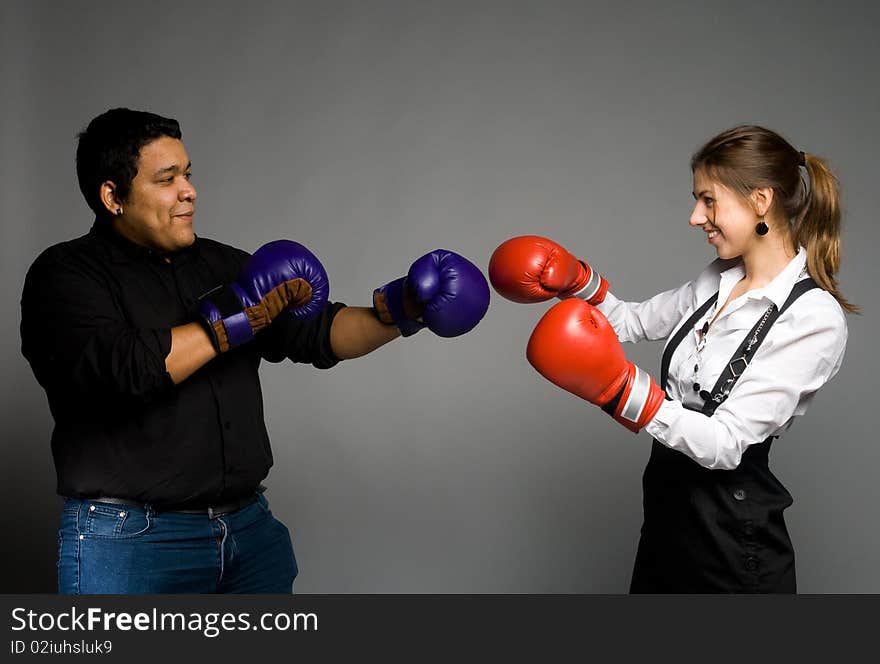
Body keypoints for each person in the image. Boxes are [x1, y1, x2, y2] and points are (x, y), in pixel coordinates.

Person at [19, 108, 490, 594]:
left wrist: (404, 307)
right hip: (132, 541)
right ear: (112, 196)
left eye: (187, 173)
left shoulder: (225, 265)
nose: (189, 191)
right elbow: (125, 369)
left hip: (248, 534)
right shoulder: (65, 276)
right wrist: (237, 316)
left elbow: (318, 333)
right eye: (167, 179)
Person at [488, 125, 854, 593]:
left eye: (708, 200)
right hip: (666, 523)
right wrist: (575, 280)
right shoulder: (718, 279)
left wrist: (621, 390)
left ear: (760, 201)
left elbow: (726, 444)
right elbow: (629, 322)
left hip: (735, 544)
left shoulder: (812, 317)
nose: (695, 217)